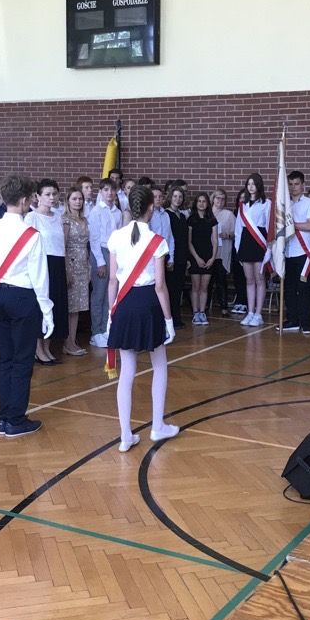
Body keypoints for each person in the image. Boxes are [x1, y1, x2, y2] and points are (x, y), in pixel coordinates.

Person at [106, 185, 178, 452]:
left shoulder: (116, 237)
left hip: (124, 303)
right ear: (151, 208)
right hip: (149, 304)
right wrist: (169, 320)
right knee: (159, 364)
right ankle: (157, 426)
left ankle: (125, 434)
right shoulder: (157, 241)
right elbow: (160, 285)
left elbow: (112, 280)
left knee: (127, 371)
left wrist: (111, 314)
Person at [0, 174, 54, 439]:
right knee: (23, 359)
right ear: (24, 200)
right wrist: (47, 311)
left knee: (5, 358)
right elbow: (39, 277)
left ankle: (4, 416)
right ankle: (15, 419)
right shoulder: (31, 235)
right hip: (22, 297)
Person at [25, 178, 68, 363]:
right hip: (42, 263)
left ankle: (47, 347)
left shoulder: (58, 216)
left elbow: (62, 244)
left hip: (58, 263)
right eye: (47, 194)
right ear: (38, 196)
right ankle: (38, 349)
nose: (51, 197)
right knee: (42, 305)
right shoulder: (32, 217)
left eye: (54, 194)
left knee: (56, 304)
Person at [281, 171, 310, 335]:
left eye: (296, 184)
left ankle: (305, 322)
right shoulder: (285, 204)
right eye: (290, 184)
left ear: (303, 185)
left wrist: (292, 225)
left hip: (303, 252)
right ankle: (293, 320)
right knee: (289, 288)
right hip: (288, 251)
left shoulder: (309, 203)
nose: (293, 187)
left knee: (304, 289)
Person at [234, 173, 271, 327]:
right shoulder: (243, 205)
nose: (251, 187)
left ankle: (258, 313)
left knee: (259, 279)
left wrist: (269, 248)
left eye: (253, 184)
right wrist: (238, 248)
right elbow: (238, 229)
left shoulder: (266, 203)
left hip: (259, 242)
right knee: (249, 280)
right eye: (248, 184)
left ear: (259, 185)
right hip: (246, 242)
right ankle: (250, 312)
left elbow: (269, 227)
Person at [88, 178, 122, 347]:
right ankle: (96, 331)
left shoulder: (118, 212)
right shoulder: (96, 211)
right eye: (106, 190)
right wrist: (100, 261)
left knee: (111, 293)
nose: (109, 193)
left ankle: (106, 328)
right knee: (99, 294)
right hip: (100, 252)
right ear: (100, 192)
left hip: (114, 252)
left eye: (112, 190)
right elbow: (94, 238)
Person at [62, 187, 89, 355]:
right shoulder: (66, 220)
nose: (78, 201)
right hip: (72, 264)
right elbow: (63, 246)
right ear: (68, 201)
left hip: (83, 264)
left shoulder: (84, 220)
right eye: (74, 199)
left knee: (78, 306)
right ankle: (67, 342)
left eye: (80, 199)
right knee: (70, 306)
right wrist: (67, 269)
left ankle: (72, 340)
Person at [188, 192, 218, 326]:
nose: (201, 204)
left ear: (208, 204)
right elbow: (189, 242)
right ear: (196, 203)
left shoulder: (212, 220)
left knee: (204, 287)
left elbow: (215, 241)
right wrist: (196, 258)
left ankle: (202, 312)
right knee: (196, 286)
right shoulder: (191, 219)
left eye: (204, 201)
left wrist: (212, 258)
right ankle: (195, 313)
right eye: (199, 201)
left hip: (208, 256)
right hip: (195, 256)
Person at [166, 185, 189, 327]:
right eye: (175, 196)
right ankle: (170, 318)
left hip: (182, 256)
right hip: (171, 257)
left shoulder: (182, 216)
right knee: (171, 288)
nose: (177, 199)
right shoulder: (166, 214)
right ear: (170, 197)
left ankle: (177, 317)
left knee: (178, 288)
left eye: (180, 197)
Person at [211, 188, 235, 317]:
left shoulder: (228, 215)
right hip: (208, 252)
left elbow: (236, 233)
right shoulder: (207, 213)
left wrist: (228, 235)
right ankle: (203, 307)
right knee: (207, 281)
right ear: (213, 199)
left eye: (223, 199)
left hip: (222, 252)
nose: (220, 201)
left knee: (221, 280)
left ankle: (224, 307)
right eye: (217, 198)